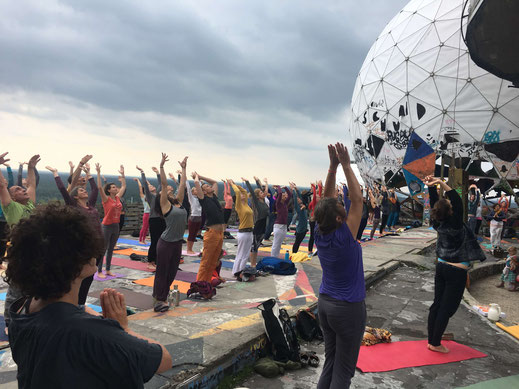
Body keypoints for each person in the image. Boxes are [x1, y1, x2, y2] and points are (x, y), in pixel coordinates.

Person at [5, 203, 172, 388]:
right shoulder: (88, 332)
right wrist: (121, 328)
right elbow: (162, 360)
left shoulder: (20, 310)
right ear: (76, 263)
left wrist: (81, 313)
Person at [315, 143, 365, 389]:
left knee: (331, 362)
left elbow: (325, 201)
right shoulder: (344, 236)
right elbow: (358, 200)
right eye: (341, 207)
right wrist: (345, 165)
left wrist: (332, 168)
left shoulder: (320, 232)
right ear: (338, 218)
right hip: (347, 309)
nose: (345, 208)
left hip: (325, 304)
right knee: (343, 370)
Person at [424, 175, 484, 353]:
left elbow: (436, 202)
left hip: (441, 267)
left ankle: (432, 338)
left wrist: (431, 186)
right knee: (447, 307)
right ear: (451, 211)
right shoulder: (456, 223)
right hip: (455, 271)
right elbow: (458, 201)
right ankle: (435, 343)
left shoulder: (437, 222)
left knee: (437, 303)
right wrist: (440, 183)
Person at [46, 157, 103, 306]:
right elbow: (63, 190)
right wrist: (56, 174)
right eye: (82, 190)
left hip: (98, 245)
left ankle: (81, 304)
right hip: (84, 245)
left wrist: (90, 174)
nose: (86, 191)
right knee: (80, 275)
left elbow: (96, 189)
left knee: (91, 274)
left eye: (85, 189)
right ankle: (73, 303)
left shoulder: (90, 205)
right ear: (76, 196)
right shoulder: (73, 206)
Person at [0, 152, 40, 328]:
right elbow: (2, 185)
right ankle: (9, 323)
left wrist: (31, 168)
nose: (22, 189)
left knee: (34, 288)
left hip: (37, 253)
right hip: (20, 255)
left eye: (22, 188)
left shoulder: (30, 204)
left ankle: (30, 315)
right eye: (17, 190)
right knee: (15, 291)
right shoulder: (11, 207)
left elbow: (31, 184)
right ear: (12, 197)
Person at [152, 154, 188, 312]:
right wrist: (161, 167)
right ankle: (160, 299)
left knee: (172, 272)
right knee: (162, 272)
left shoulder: (178, 202)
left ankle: (163, 295)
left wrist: (184, 169)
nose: (168, 191)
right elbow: (165, 183)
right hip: (166, 243)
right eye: (165, 192)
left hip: (177, 243)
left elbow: (182, 185)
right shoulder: (166, 206)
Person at [193, 172, 225, 298]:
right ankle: (199, 285)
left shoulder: (214, 197)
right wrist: (197, 179)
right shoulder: (204, 199)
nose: (209, 186)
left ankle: (206, 284)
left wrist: (201, 176)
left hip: (220, 233)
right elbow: (196, 184)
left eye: (207, 186)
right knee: (206, 261)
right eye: (206, 187)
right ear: (204, 191)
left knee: (214, 262)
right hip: (211, 233)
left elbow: (215, 183)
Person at [97, 163, 126, 278]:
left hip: (116, 225)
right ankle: (99, 271)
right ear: (109, 190)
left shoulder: (118, 198)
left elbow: (123, 186)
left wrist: (123, 174)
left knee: (111, 249)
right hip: (106, 226)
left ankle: (108, 269)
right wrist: (98, 172)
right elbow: (99, 187)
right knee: (103, 249)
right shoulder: (106, 199)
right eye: (113, 187)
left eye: (115, 187)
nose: (116, 188)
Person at [137, 166, 164, 270]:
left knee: (161, 241)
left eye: (153, 186)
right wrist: (142, 172)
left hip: (162, 220)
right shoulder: (149, 196)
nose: (152, 186)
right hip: (154, 220)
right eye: (150, 186)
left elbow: (161, 184)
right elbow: (144, 184)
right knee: (154, 241)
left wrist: (158, 173)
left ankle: (157, 260)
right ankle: (150, 261)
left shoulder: (158, 196)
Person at [230, 179, 254, 279]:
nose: (243, 195)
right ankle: (236, 272)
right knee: (240, 253)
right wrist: (232, 184)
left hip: (250, 232)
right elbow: (237, 192)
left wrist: (237, 185)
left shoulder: (247, 205)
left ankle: (242, 272)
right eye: (241, 195)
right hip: (243, 232)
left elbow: (243, 191)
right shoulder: (239, 206)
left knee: (246, 254)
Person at [245, 177, 269, 267]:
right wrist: (247, 181)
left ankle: (254, 263)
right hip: (258, 224)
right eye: (261, 193)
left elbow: (265, 191)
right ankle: (252, 264)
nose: (263, 193)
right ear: (258, 195)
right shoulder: (256, 201)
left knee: (257, 246)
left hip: (263, 225)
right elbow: (252, 191)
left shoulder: (263, 200)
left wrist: (265, 183)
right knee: (254, 247)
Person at [186, 174, 203, 254]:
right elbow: (188, 188)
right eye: (196, 190)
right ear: (192, 192)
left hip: (199, 217)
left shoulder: (200, 198)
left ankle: (191, 248)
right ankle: (188, 249)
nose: (197, 190)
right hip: (193, 217)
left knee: (195, 234)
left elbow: (200, 189)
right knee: (191, 234)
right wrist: (185, 179)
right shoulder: (191, 198)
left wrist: (198, 180)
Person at [290, 182, 309, 254]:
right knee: (297, 243)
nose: (299, 199)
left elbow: (299, 196)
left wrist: (295, 188)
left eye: (299, 199)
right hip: (300, 230)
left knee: (298, 243)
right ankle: (293, 254)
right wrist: (293, 190)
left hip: (304, 229)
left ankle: (295, 253)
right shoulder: (298, 208)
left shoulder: (303, 205)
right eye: (298, 199)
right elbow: (295, 199)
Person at [307, 181, 322, 255]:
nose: (319, 197)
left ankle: (318, 249)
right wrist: (313, 186)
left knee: (319, 234)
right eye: (318, 197)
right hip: (313, 220)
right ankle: (309, 250)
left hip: (318, 219)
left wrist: (319, 185)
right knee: (312, 235)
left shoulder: (319, 202)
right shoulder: (314, 202)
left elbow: (319, 192)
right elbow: (316, 195)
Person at [134, 177, 150, 244]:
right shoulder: (143, 197)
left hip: (151, 214)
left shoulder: (150, 196)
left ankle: (143, 240)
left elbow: (149, 187)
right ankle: (140, 240)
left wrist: (147, 182)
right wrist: (138, 180)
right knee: (144, 227)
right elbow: (140, 188)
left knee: (146, 228)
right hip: (146, 214)